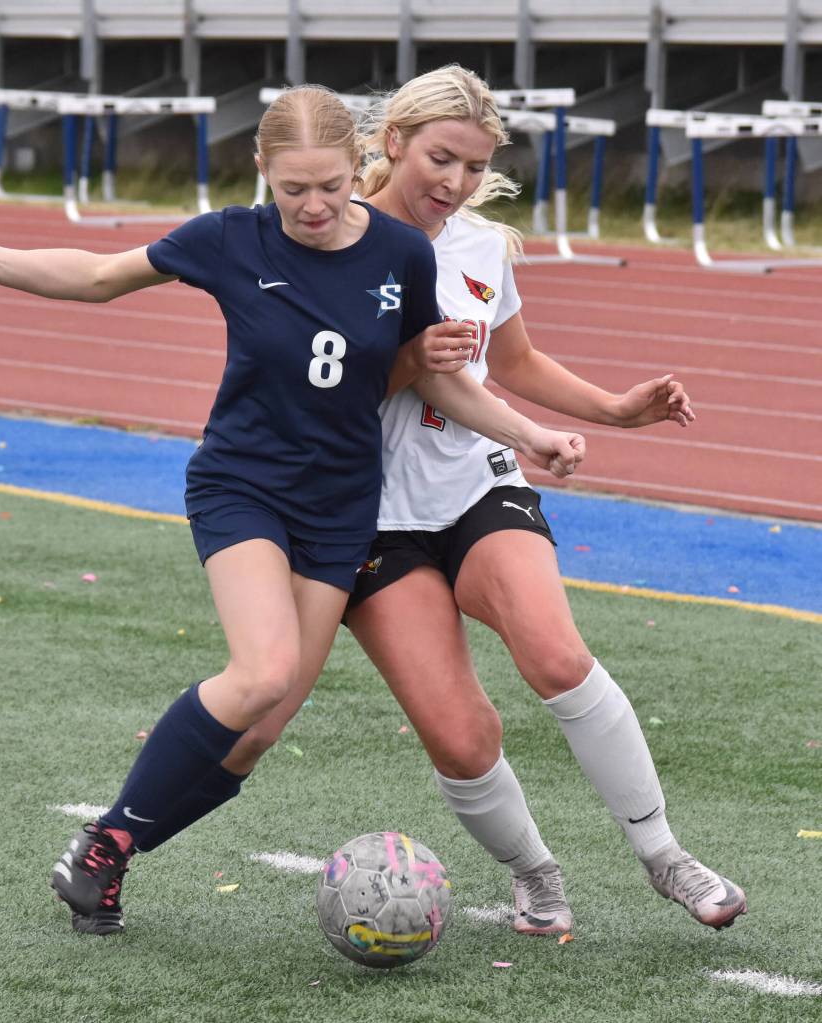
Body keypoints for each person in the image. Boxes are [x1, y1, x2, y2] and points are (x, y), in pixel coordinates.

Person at [0, 85, 584, 937]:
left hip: (342, 510)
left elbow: (438, 374)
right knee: (260, 671)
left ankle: (105, 859)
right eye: (293, 186)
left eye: (332, 186)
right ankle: (107, 841)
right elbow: (97, 276)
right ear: (261, 169)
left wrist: (530, 434)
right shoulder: (228, 237)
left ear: (356, 170)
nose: (313, 205)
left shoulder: (404, 253)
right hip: (244, 486)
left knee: (259, 730)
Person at [99, 68, 746, 940]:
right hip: (364, 516)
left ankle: (667, 856)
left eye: (474, 168)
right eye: (442, 159)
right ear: (392, 142)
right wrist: (412, 361)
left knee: (555, 653)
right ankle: (536, 874)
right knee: (461, 736)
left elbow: (511, 365)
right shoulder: (320, 234)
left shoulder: (477, 245)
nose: (456, 183)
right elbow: (315, 397)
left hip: (475, 485)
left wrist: (609, 410)